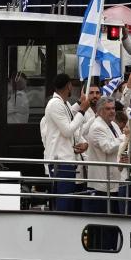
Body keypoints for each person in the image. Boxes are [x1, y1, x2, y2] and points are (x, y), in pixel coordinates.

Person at [41, 72, 90, 211]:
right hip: (60, 161)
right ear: (68, 86)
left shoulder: (64, 103)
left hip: (66, 160)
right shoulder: (55, 104)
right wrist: (83, 111)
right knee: (64, 202)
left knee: (67, 201)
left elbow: (69, 116)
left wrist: (80, 103)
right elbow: (68, 130)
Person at [84, 96, 125, 212]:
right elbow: (108, 147)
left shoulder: (114, 125)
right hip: (101, 182)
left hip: (115, 180)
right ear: (100, 111)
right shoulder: (97, 127)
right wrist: (124, 138)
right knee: (102, 218)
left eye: (113, 108)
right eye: (108, 109)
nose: (112, 111)